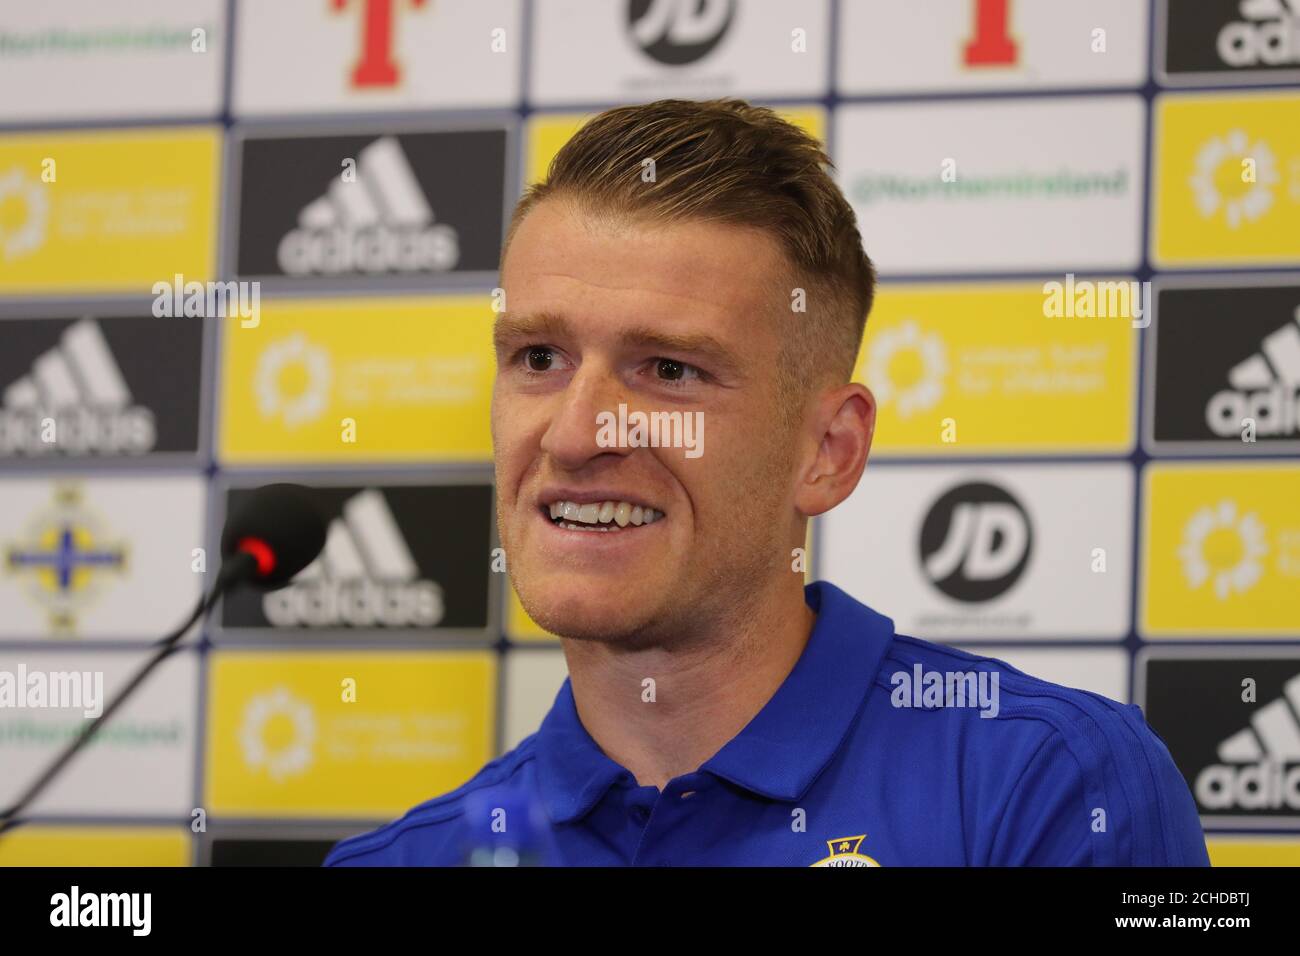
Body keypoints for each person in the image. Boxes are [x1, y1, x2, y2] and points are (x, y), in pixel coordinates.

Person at [324, 98, 1208, 866]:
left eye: (669, 370)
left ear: (829, 451)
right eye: (540, 357)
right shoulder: (404, 858)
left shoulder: (1053, 786)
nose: (576, 432)